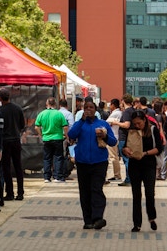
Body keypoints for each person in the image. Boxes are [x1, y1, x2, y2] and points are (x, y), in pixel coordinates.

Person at [68, 99, 117, 230]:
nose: (88, 109)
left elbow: (113, 142)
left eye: (91, 107)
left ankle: (98, 218)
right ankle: (87, 220)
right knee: (85, 192)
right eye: (86, 107)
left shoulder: (103, 124)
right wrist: (82, 121)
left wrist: (104, 135)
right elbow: (71, 135)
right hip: (82, 162)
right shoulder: (80, 124)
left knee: (96, 189)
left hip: (99, 162)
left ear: (95, 110)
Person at [124, 109, 163, 231]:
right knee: (136, 195)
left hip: (148, 165)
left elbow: (159, 148)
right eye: (135, 123)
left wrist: (145, 153)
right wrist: (125, 151)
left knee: (149, 193)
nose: (137, 126)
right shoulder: (131, 132)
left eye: (139, 123)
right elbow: (124, 147)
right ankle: (137, 223)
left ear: (144, 121)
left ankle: (151, 218)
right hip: (134, 165)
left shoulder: (152, 130)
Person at [0, 88, 25, 201]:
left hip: (5, 141)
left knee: (6, 167)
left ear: (0, 98)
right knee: (18, 166)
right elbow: (22, 125)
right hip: (16, 140)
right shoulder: (17, 108)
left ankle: (9, 193)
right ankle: (20, 192)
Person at [36, 97, 69, 183]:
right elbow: (65, 126)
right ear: (55, 104)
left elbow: (36, 127)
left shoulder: (42, 114)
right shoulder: (59, 114)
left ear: (47, 104)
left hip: (46, 139)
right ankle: (57, 176)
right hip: (58, 138)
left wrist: (41, 135)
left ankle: (47, 177)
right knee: (58, 157)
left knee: (47, 158)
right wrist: (67, 136)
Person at [106, 99, 124, 181]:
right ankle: (117, 174)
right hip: (116, 136)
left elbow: (106, 123)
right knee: (114, 156)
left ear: (113, 105)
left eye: (110, 105)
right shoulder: (119, 113)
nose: (110, 106)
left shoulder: (115, 113)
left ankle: (117, 175)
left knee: (113, 157)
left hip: (113, 136)